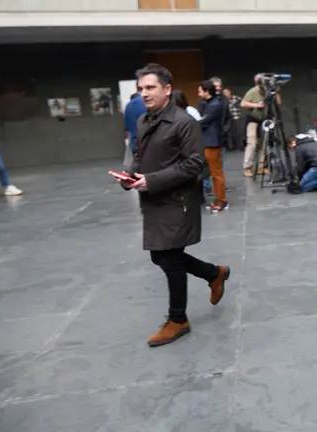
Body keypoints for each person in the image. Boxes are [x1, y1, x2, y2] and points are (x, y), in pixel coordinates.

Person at [119, 63, 230, 348]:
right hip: (154, 199)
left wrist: (152, 180)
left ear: (167, 89)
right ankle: (213, 273)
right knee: (161, 257)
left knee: (168, 258)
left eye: (151, 87)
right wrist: (130, 175)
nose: (144, 93)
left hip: (177, 201)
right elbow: (139, 155)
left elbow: (194, 164)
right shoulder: (143, 120)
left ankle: (178, 319)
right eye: (141, 88)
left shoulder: (184, 122)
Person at [198, 80, 228, 213]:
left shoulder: (214, 104)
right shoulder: (211, 103)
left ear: (206, 92)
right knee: (215, 173)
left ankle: (221, 200)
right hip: (210, 141)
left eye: (200, 91)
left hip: (212, 142)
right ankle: (218, 199)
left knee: (216, 173)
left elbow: (205, 121)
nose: (199, 94)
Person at [241, 75, 275, 177]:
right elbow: (243, 103)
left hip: (264, 120)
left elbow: (278, 102)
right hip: (252, 119)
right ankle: (247, 167)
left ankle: (261, 166)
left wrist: (276, 92)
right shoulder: (252, 91)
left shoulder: (267, 92)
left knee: (264, 143)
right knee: (252, 143)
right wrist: (256, 105)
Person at [124, 90, 147, 155]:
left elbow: (127, 130)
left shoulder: (128, 106)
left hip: (136, 145)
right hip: (149, 144)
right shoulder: (146, 101)